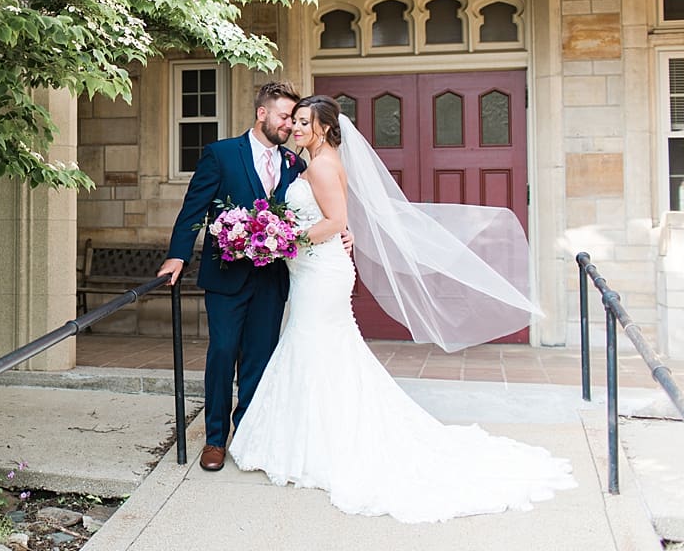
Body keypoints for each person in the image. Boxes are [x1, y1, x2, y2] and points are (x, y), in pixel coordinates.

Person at [228, 95, 577, 522]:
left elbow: (334, 222)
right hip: (317, 270)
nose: (295, 128)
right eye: (295, 121)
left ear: (323, 127)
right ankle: (325, 434)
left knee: (312, 345)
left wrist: (281, 240)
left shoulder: (319, 165)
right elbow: (338, 218)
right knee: (325, 350)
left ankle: (320, 443)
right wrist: (291, 235)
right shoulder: (319, 161)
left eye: (304, 122)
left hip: (320, 273)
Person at [156, 81, 306, 473]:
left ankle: (250, 434)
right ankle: (215, 439)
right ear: (262, 114)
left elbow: (312, 212)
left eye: (293, 119)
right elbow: (194, 209)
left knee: (259, 357)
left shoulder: (295, 165)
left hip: (272, 278)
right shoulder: (221, 155)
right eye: (284, 116)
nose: (289, 125)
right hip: (226, 275)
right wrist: (177, 255)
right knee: (222, 353)